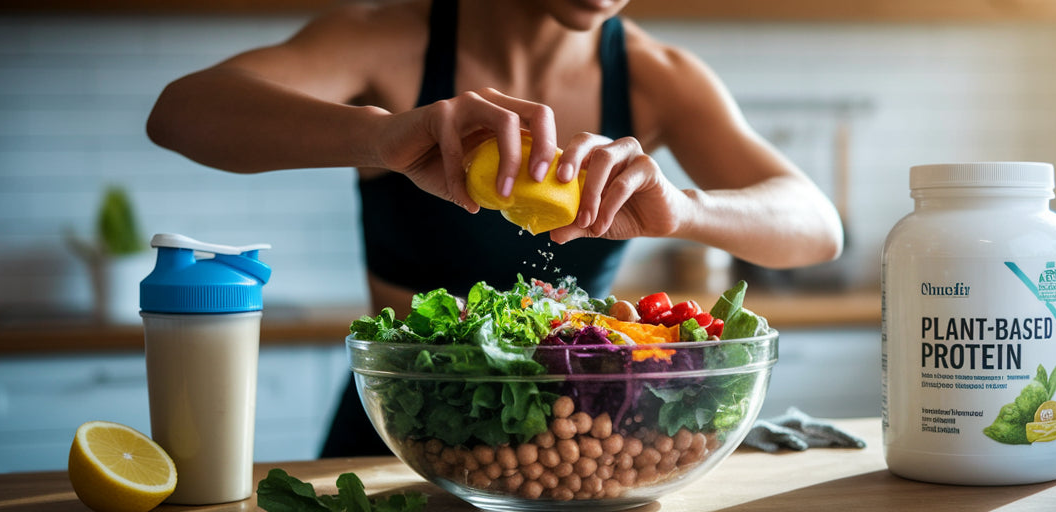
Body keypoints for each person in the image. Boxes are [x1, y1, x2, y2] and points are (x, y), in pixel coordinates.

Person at [146, 0, 844, 457]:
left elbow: (816, 225)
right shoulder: (388, 38)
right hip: (405, 436)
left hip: (577, 447)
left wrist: (686, 210)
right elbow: (181, 112)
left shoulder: (657, 75)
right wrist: (382, 135)